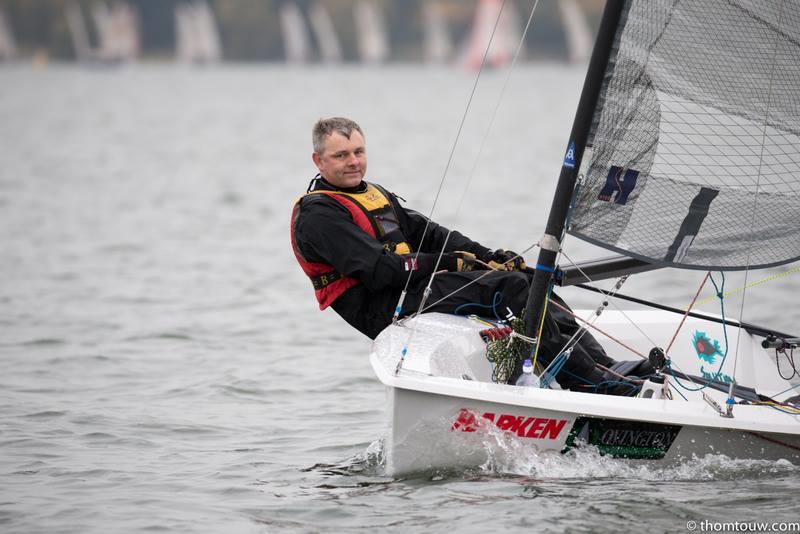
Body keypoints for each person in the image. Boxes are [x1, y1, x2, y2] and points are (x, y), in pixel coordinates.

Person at [291, 117, 652, 394]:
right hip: (382, 304)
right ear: (318, 160)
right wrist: (451, 263)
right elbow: (379, 270)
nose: (353, 162)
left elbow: (433, 234)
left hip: (410, 287)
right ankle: (588, 383)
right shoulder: (318, 215)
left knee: (529, 279)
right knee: (509, 290)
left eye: (359, 152)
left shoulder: (371, 193)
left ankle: (604, 366)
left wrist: (488, 256)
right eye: (341, 156)